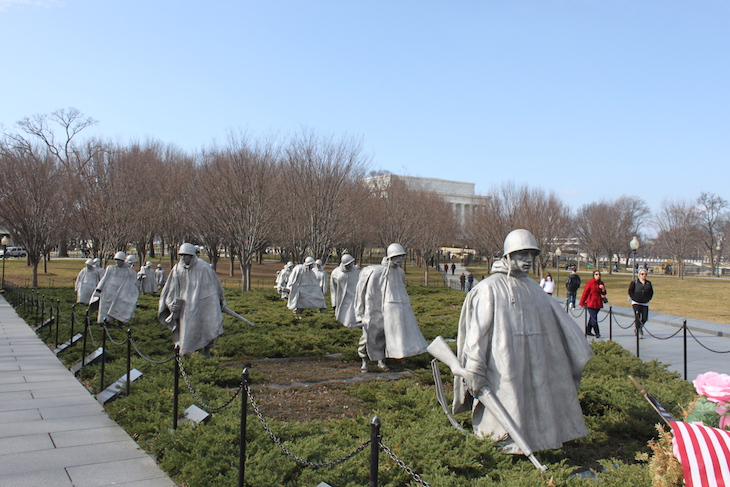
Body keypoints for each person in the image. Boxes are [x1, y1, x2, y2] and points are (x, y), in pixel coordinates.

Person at [452, 229, 592, 453]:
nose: (527, 260)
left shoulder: (534, 289)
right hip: (503, 369)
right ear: (507, 256)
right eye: (521, 254)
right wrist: (475, 369)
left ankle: (542, 443)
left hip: (536, 365)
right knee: (507, 413)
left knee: (537, 408)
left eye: (531, 255)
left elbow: (555, 329)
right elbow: (477, 336)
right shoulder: (488, 289)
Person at [355, 243, 428, 372]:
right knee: (368, 336)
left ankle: (381, 361)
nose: (400, 259)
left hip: (392, 311)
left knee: (385, 336)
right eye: (397, 256)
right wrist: (359, 314)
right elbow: (361, 292)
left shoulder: (400, 273)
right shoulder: (374, 271)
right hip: (373, 310)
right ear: (390, 257)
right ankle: (364, 360)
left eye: (402, 256)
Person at [158, 243, 226, 357]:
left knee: (207, 326)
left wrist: (221, 299)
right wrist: (171, 305)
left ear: (192, 256)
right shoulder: (177, 269)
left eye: (187, 255)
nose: (184, 258)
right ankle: (184, 353)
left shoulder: (204, 268)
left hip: (203, 304)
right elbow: (171, 290)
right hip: (185, 307)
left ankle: (206, 350)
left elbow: (215, 285)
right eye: (182, 255)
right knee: (186, 331)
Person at [94, 251, 140, 324]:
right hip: (108, 291)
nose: (117, 262)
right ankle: (104, 322)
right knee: (105, 307)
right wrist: (99, 289)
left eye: (119, 260)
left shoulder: (127, 271)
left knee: (119, 307)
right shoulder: (110, 268)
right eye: (116, 260)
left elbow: (131, 283)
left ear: (123, 261)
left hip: (119, 292)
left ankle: (120, 322)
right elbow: (104, 278)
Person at [330, 254, 360, 328]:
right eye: (348, 264)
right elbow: (333, 289)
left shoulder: (356, 272)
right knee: (344, 315)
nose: (350, 266)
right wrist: (334, 303)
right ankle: (344, 326)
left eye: (351, 263)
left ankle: (354, 326)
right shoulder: (336, 272)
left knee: (354, 313)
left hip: (355, 297)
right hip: (342, 298)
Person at [579, 271, 607, 338]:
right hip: (591, 302)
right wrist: (581, 303)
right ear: (593, 275)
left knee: (592, 317)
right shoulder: (590, 283)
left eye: (599, 274)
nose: (598, 276)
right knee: (594, 318)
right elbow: (585, 293)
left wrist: (603, 289)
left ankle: (588, 331)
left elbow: (604, 293)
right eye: (596, 274)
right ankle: (597, 332)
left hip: (598, 302)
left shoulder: (601, 283)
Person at [629, 269, 654, 338]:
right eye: (642, 274)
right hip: (636, 302)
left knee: (644, 318)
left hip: (645, 303)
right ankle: (637, 330)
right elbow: (630, 291)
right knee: (637, 317)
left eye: (645, 274)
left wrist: (648, 298)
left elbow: (651, 292)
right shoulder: (635, 282)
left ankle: (640, 327)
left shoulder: (648, 283)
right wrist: (634, 298)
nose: (644, 275)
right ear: (639, 275)